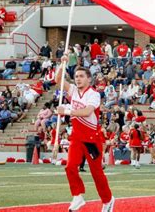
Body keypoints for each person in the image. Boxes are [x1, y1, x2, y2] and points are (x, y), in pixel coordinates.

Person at [55, 57, 115, 212]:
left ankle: (108, 200)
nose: (78, 79)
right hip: (76, 137)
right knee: (70, 167)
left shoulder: (94, 94)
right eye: (76, 76)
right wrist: (62, 64)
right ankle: (77, 196)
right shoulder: (73, 90)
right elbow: (58, 79)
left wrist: (67, 110)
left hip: (91, 140)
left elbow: (87, 111)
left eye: (81, 76)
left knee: (96, 173)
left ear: (89, 79)